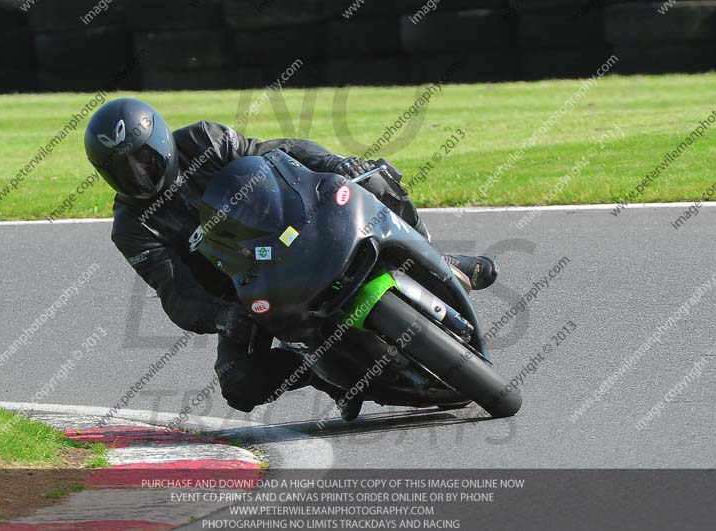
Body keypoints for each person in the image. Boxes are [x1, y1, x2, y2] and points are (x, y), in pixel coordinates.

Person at [84, 98, 497, 422]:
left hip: (293, 231)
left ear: (160, 142)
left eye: (144, 160)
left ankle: (428, 255)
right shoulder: (133, 228)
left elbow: (277, 154)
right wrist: (220, 316)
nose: (139, 176)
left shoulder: (206, 140)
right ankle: (318, 369)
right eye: (123, 171)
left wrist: (336, 164)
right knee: (238, 385)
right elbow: (175, 292)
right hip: (243, 291)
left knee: (374, 178)